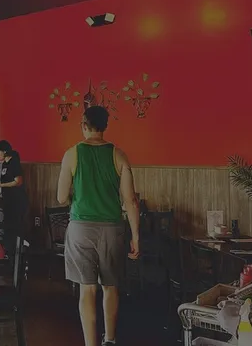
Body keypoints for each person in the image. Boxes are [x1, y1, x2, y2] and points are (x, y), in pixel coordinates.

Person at [57, 106, 141, 346]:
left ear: (84, 126)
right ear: (105, 126)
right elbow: (130, 201)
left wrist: (76, 194)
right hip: (112, 229)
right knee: (110, 287)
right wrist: (136, 236)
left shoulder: (71, 154)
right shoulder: (119, 155)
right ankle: (110, 339)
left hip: (80, 229)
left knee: (87, 289)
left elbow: (61, 197)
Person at [0, 140, 27, 255]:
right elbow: (4, 185)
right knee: (8, 229)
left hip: (17, 201)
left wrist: (0, 185)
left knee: (14, 229)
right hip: (8, 202)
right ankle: (8, 254)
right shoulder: (4, 164)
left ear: (5, 151)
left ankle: (15, 256)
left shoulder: (14, 163)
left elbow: (18, 182)